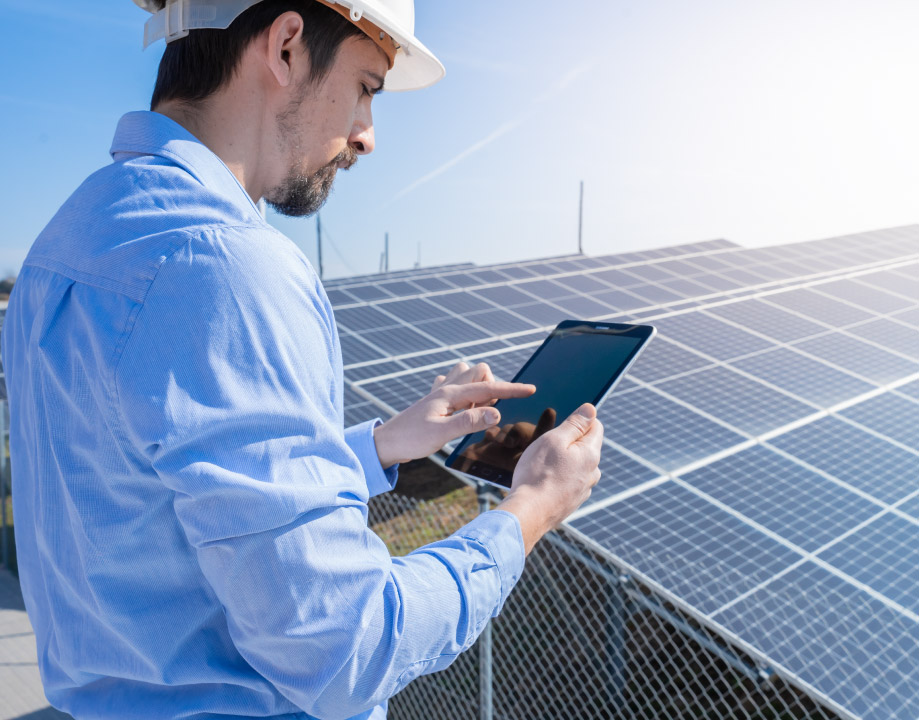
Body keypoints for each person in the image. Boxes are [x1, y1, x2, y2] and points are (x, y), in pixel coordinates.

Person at [0, 1, 604, 718]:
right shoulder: (226, 265)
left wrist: (381, 444)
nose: (367, 137)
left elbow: (152, 502)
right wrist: (530, 510)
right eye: (366, 87)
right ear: (286, 46)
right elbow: (344, 649)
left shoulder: (66, 242)